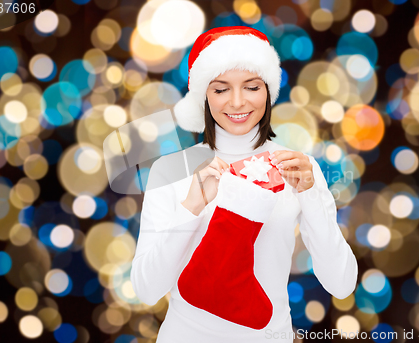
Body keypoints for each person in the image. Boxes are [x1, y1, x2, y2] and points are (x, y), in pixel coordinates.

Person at [130, 26, 358, 343]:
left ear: (268, 89)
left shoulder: (297, 167)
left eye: (251, 87)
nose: (237, 103)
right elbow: (146, 289)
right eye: (221, 90)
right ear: (203, 96)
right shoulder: (172, 170)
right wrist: (191, 206)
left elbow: (341, 283)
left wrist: (311, 195)